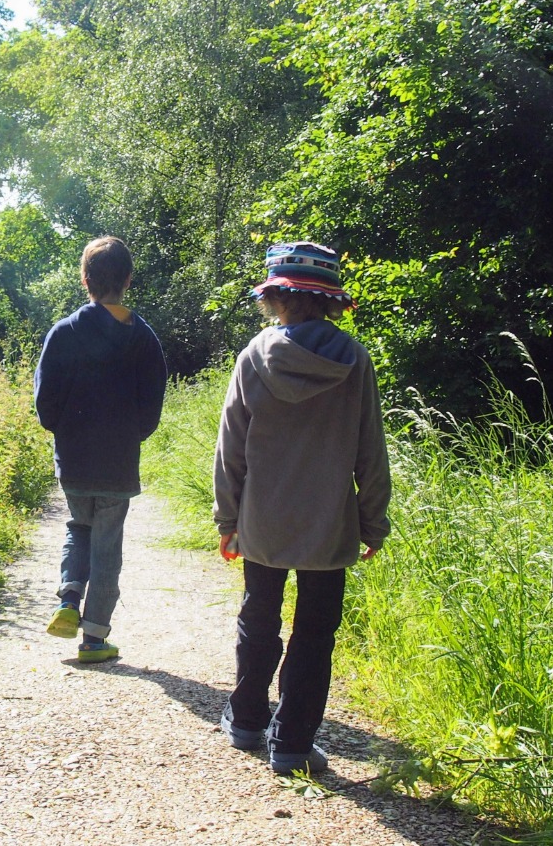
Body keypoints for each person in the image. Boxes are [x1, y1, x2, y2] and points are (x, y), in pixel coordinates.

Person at [213, 240, 391, 774]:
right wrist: (372, 522)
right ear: (328, 300)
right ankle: (291, 743)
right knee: (315, 631)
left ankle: (246, 720)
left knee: (258, 618)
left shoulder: (253, 356)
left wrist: (227, 519)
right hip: (328, 523)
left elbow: (231, 448)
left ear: (277, 297)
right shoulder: (354, 360)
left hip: (263, 520)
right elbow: (370, 449)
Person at [34, 236, 168, 663]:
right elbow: (152, 405)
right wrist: (131, 435)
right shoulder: (144, 339)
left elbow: (45, 404)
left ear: (84, 280)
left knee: (79, 526)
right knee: (108, 545)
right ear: (128, 280)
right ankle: (94, 639)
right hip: (118, 463)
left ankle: (69, 597)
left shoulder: (64, 332)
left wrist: (63, 430)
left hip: (74, 460)